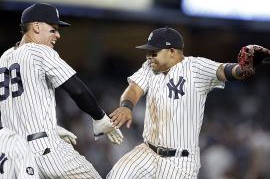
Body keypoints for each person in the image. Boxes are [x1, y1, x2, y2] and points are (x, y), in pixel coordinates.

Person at [107, 27, 269, 178]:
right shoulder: (149, 67)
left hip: (180, 161)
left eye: (154, 52)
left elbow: (225, 71)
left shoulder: (196, 67)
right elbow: (134, 89)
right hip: (147, 151)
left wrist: (244, 67)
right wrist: (126, 107)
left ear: (171, 52)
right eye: (148, 52)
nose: (149, 56)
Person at [0, 3, 123, 178]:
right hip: (44, 149)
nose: (58, 35)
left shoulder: (4, 58)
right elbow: (77, 89)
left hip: (12, 156)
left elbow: (13, 106)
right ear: (36, 26)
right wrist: (100, 117)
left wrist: (49, 126)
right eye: (53, 29)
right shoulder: (40, 51)